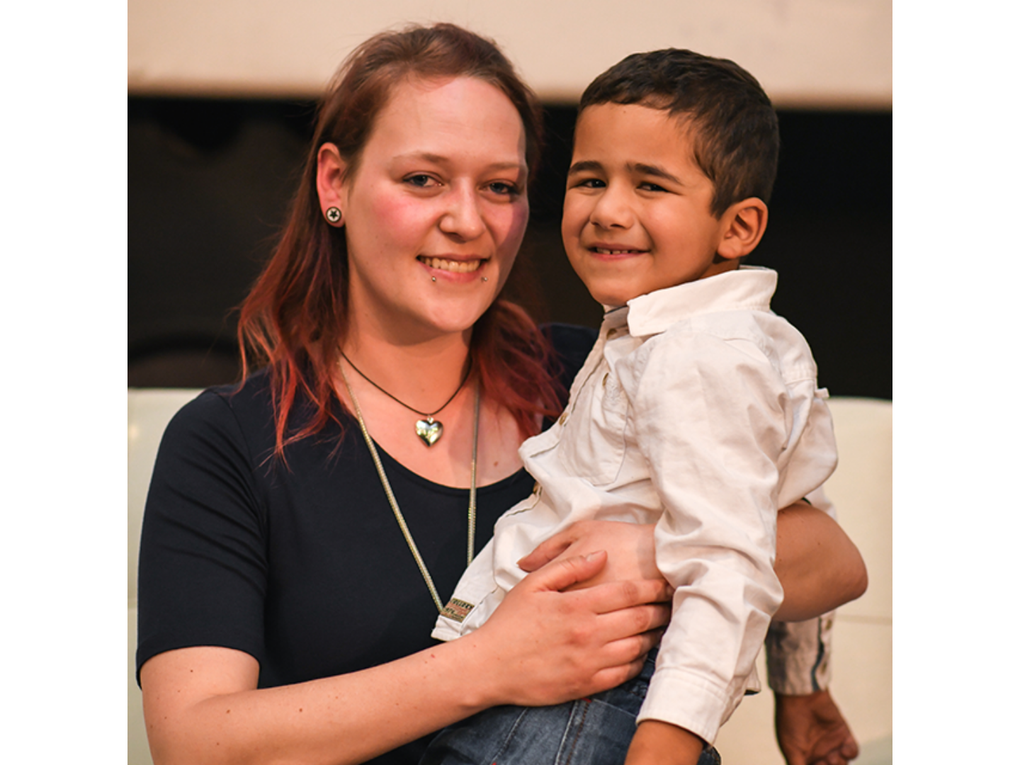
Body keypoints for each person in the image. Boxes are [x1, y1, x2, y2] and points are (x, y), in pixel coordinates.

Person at [135, 24, 866, 765]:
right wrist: (488, 663)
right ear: (335, 183)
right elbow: (195, 742)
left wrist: (646, 551)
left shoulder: (598, 372)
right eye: (423, 179)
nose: (467, 220)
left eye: (500, 187)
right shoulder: (230, 440)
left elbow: (834, 560)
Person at [427, 48, 862, 765]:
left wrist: (665, 746)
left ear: (738, 228)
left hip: (586, 709)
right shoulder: (704, 338)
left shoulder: (696, 354)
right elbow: (786, 511)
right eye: (590, 178)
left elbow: (730, 560)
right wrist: (802, 686)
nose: (608, 209)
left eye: (650, 184)